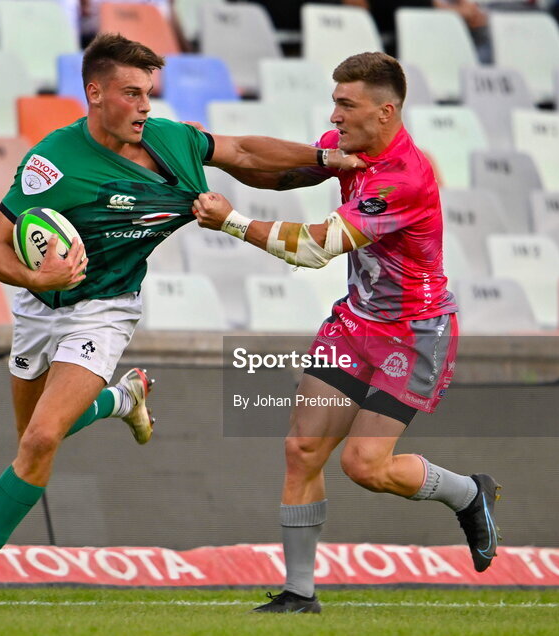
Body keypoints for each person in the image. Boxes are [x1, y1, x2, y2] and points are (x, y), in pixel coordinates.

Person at [0, 32, 362, 611]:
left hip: (107, 310)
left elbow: (246, 154)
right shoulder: (53, 163)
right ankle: (123, 401)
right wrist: (36, 279)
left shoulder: (172, 142)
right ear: (95, 93)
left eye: (149, 92)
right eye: (132, 93)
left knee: (43, 437)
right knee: (31, 441)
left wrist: (322, 159)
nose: (146, 106)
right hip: (39, 307)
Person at [193, 52, 500, 614]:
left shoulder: (404, 177)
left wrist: (232, 222)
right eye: (334, 102)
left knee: (365, 466)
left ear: (385, 112)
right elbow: (283, 171)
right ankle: (299, 594)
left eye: (345, 104)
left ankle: (467, 492)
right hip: (356, 322)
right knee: (302, 448)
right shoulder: (352, 148)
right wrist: (209, 150)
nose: (334, 116)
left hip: (415, 331)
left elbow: (314, 248)